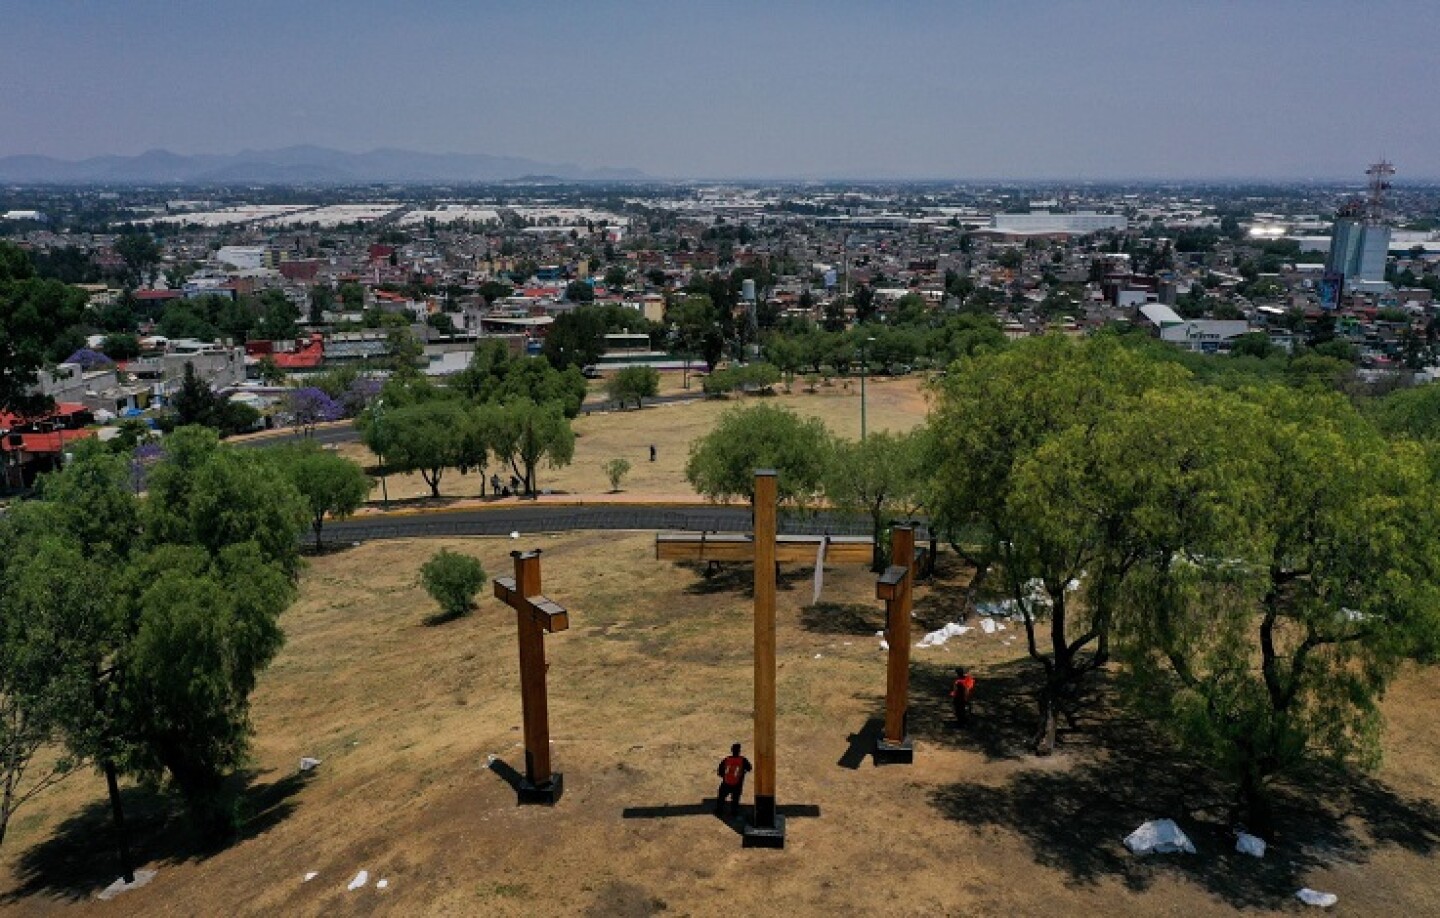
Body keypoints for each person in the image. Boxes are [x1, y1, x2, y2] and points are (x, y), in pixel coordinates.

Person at [715, 743, 752, 817]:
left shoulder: (726, 759)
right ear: (739, 751)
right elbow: (749, 768)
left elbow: (720, 772)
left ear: (731, 751)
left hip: (726, 782)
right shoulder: (743, 760)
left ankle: (719, 810)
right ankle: (734, 813)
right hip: (737, 783)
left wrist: (725, 776)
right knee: (735, 799)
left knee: (721, 796)